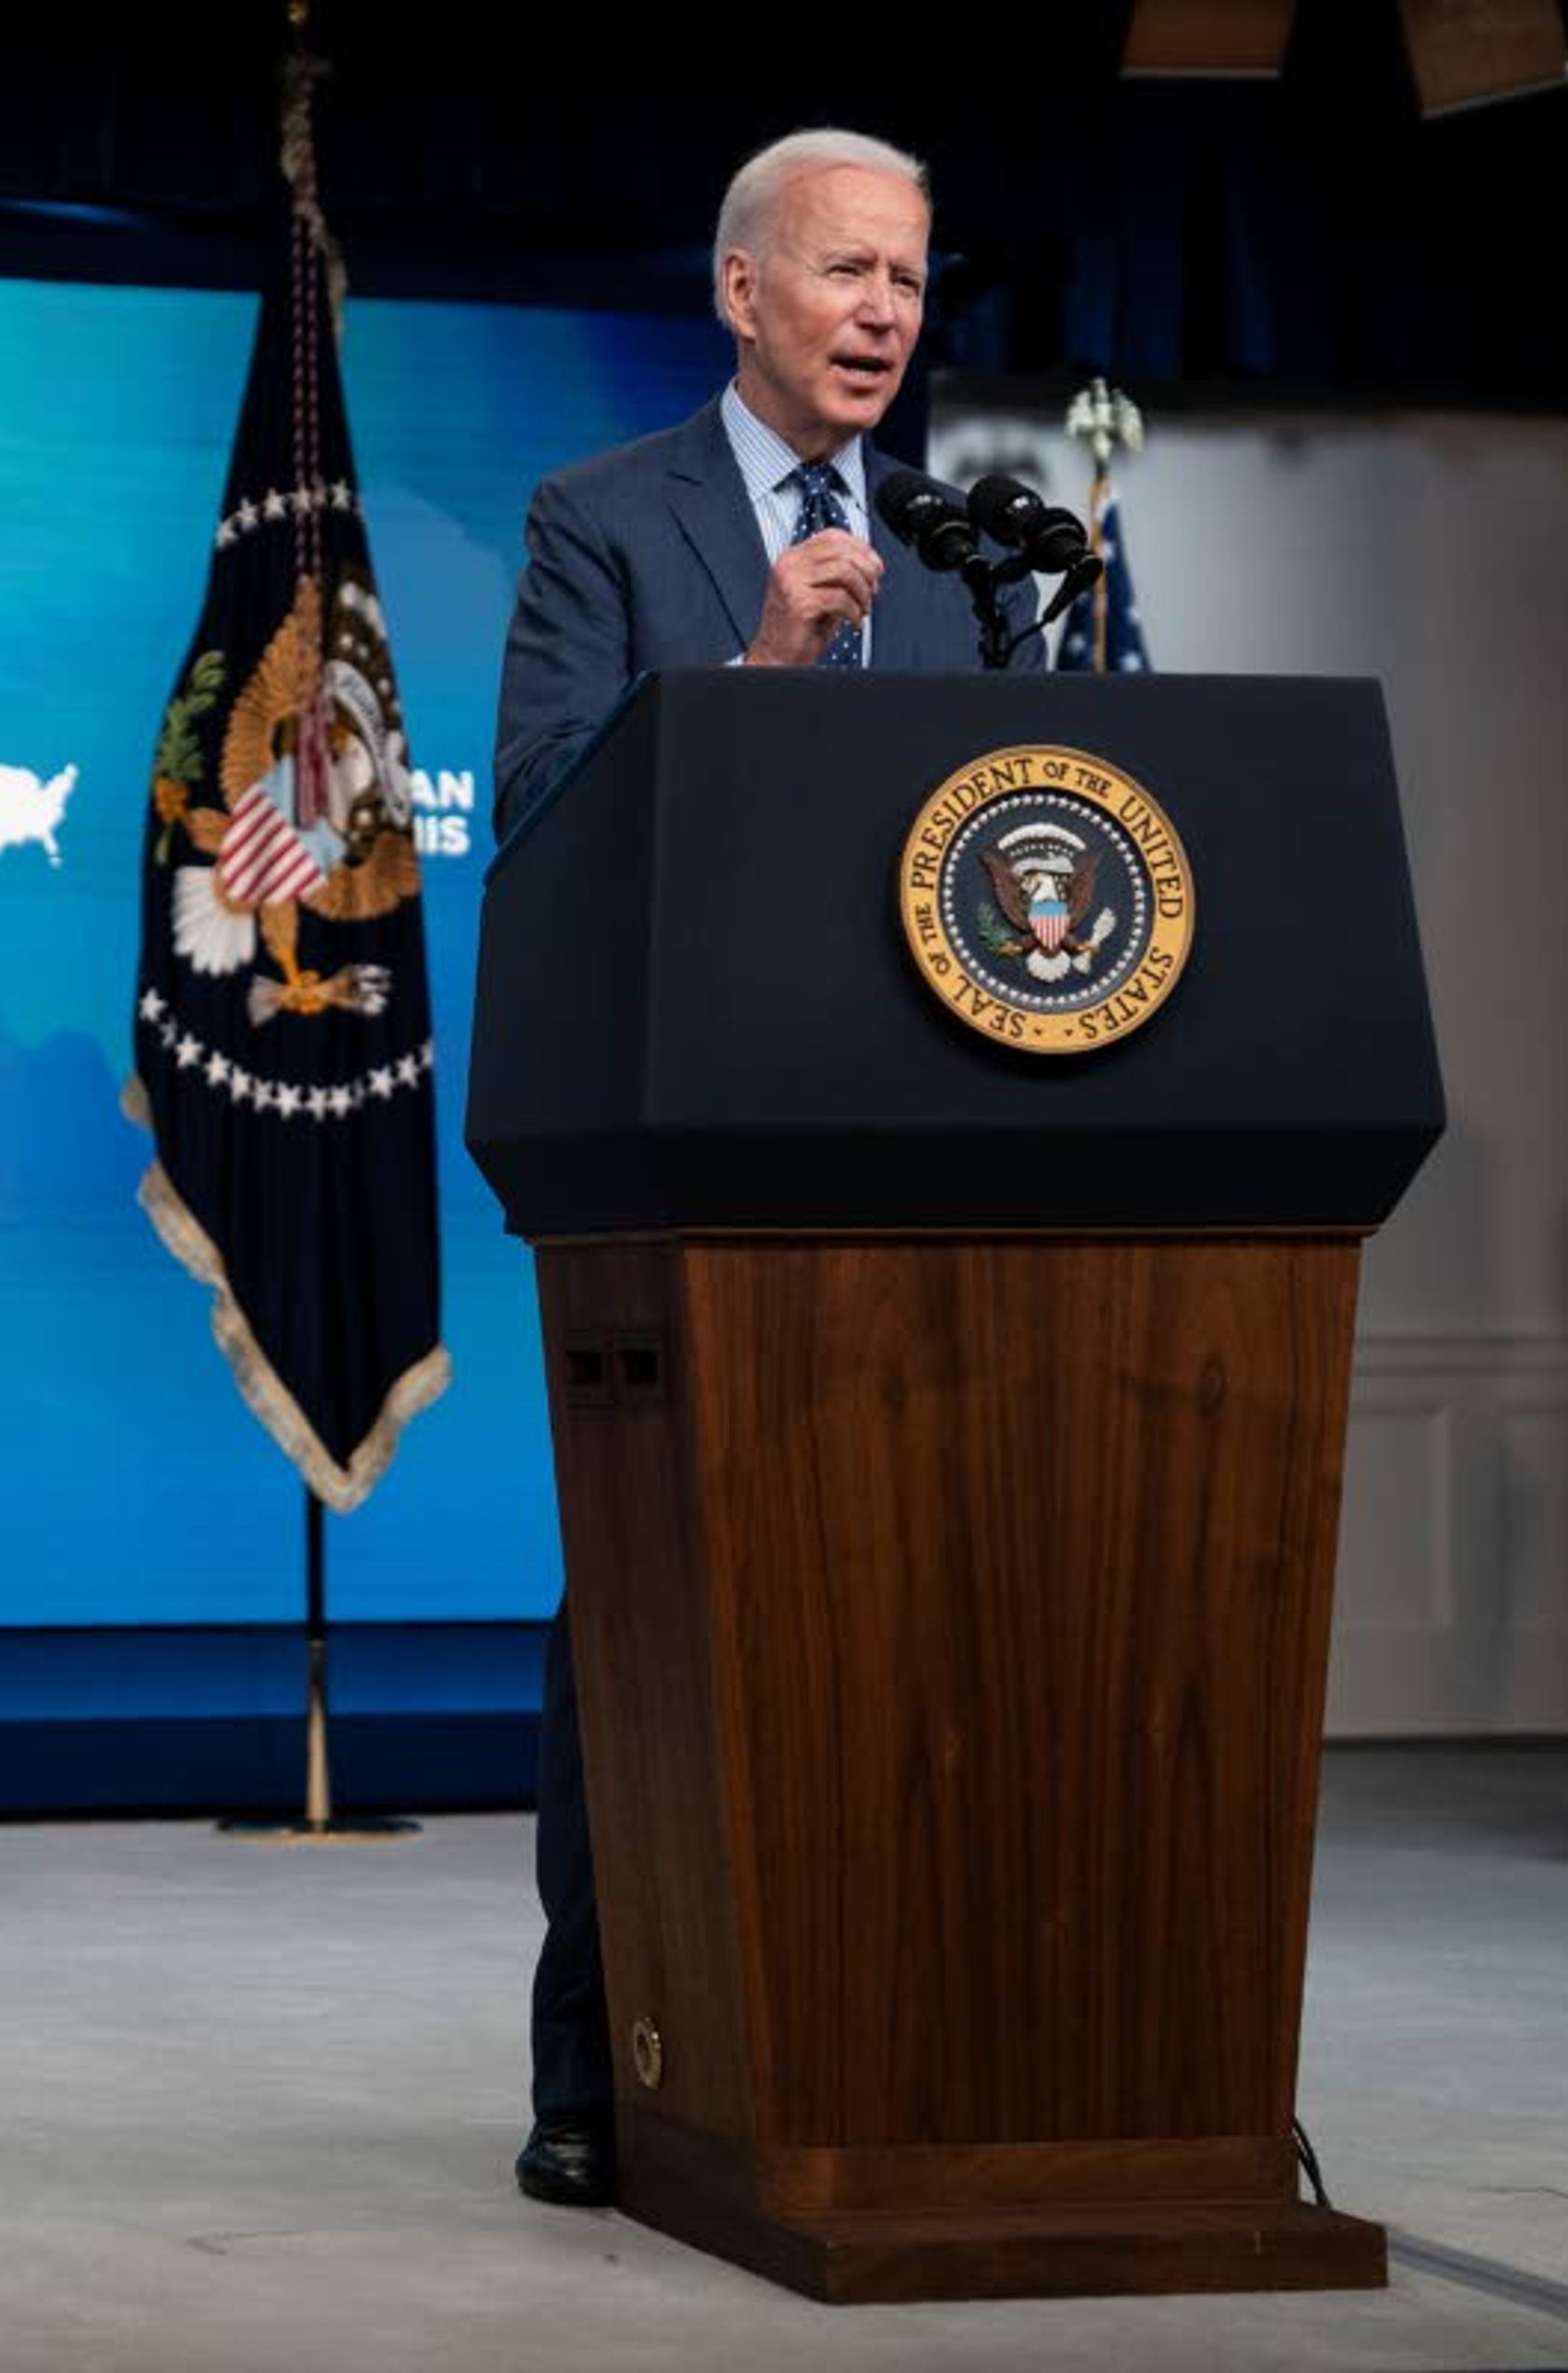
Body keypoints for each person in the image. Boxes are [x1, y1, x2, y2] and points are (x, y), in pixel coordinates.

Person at [489, 126, 1041, 2206]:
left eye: (911, 274)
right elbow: (538, 804)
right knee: (647, 1612)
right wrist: (757, 681)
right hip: (681, 1166)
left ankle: (890, 2037)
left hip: (929, 1166)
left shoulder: (967, 551)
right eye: (845, 272)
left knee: (913, 1614)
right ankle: (600, 2062)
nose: (888, 311)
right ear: (741, 292)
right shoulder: (601, 523)